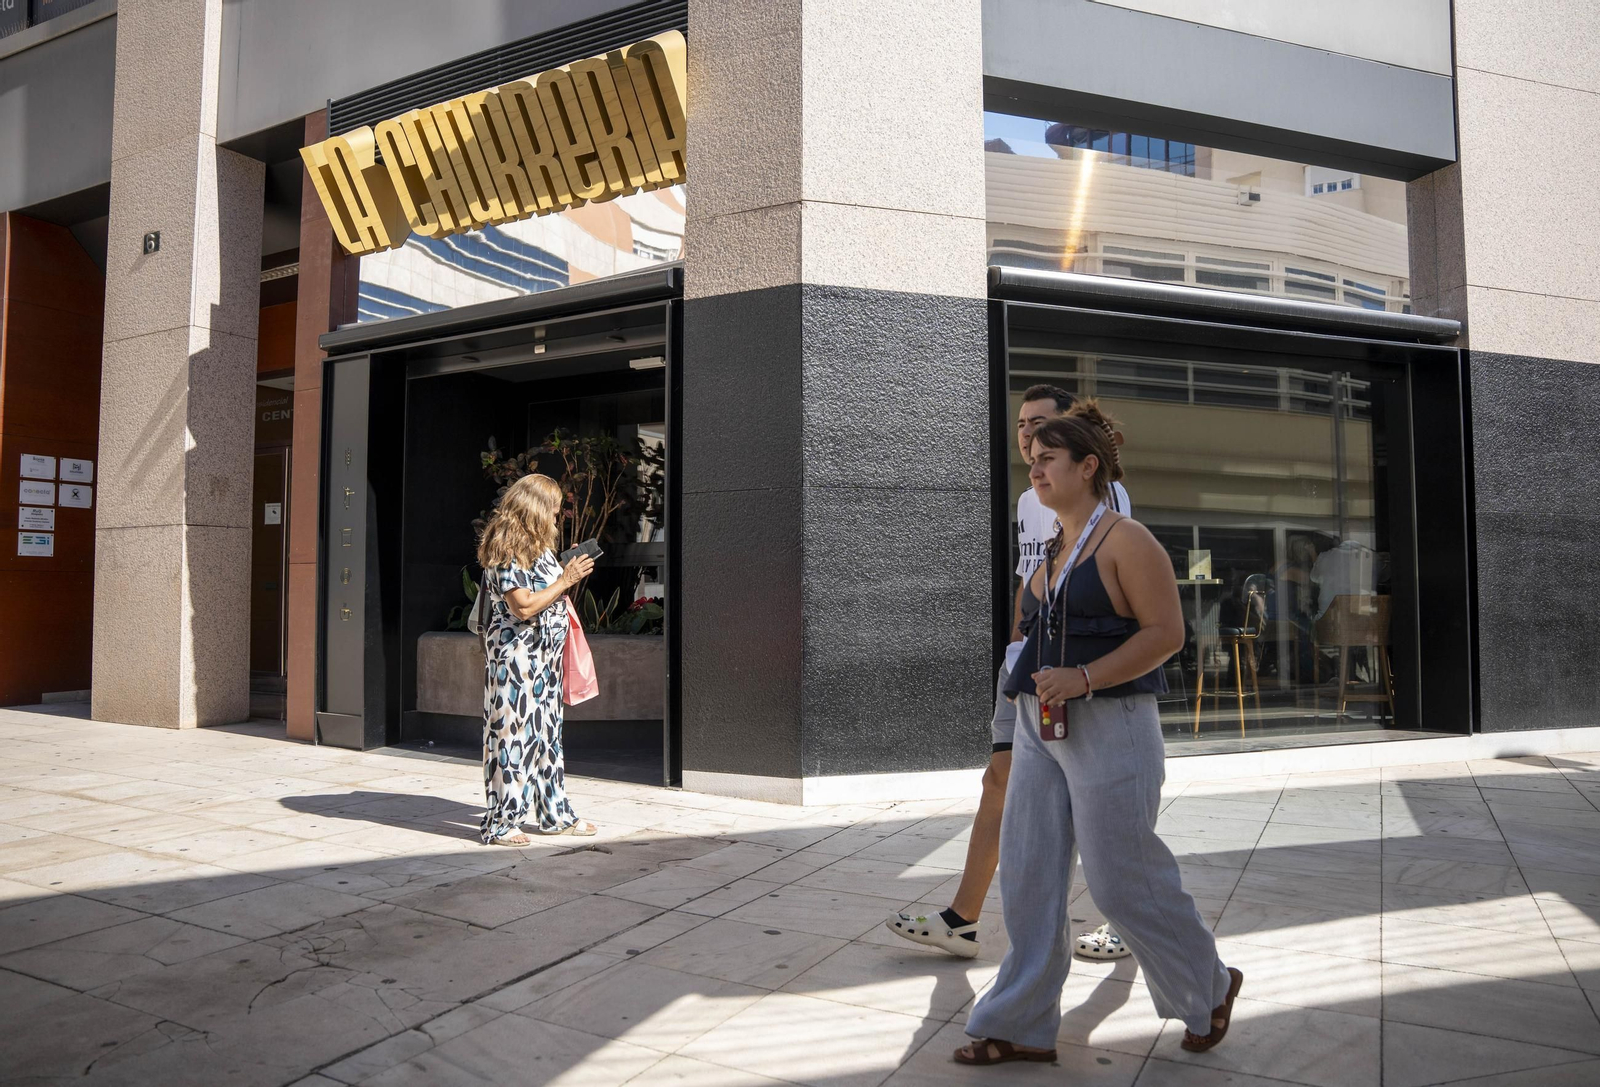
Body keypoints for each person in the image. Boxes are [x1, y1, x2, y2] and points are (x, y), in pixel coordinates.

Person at [956, 415, 1241, 1066]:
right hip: (1038, 723)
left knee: (1120, 882)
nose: (1035, 466)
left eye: (1049, 456)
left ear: (1088, 467)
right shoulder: (1054, 548)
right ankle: (1020, 1023)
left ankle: (1210, 985)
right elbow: (1034, 627)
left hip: (1111, 721)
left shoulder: (1126, 540)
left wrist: (1084, 676)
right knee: (1027, 875)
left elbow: (1166, 632)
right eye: (1031, 457)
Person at [884, 388, 1132, 962]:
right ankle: (962, 920)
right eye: (1023, 426)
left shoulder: (1106, 495)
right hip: (1024, 660)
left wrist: (1084, 669)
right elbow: (1032, 576)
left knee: (1091, 797)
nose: (1028, 439)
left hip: (1070, 668)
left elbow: (1109, 583)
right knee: (999, 780)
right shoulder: (1028, 500)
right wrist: (1019, 632)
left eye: (1042, 427)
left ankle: (1124, 918)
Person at [476, 473, 598, 845]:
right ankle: (503, 820)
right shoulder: (506, 547)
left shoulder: (538, 546)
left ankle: (554, 814)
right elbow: (524, 606)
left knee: (546, 739)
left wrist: (565, 567)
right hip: (516, 661)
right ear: (536, 508)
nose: (557, 516)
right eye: (554, 510)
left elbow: (548, 587)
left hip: (545, 662)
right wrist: (566, 580)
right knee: (512, 739)